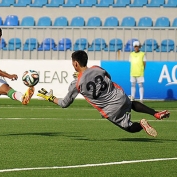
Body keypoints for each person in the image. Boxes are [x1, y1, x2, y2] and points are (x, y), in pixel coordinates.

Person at [37, 50, 170, 137]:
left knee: (129, 127)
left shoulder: (76, 84)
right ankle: (155, 113)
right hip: (119, 96)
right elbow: (108, 76)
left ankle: (141, 124)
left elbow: (64, 103)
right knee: (131, 104)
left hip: (110, 109)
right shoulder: (97, 68)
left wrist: (51, 98)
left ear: (75, 63)